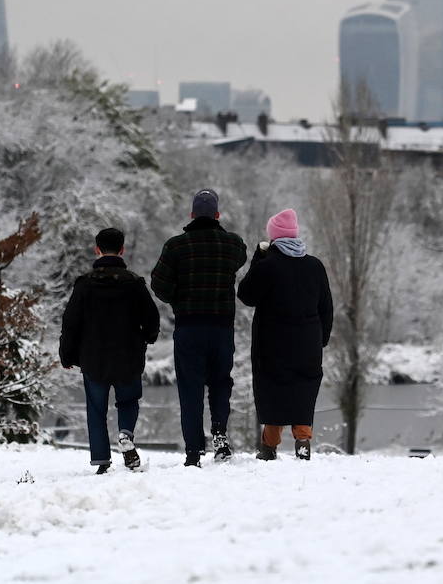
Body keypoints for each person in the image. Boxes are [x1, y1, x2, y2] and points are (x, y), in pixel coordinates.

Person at [150, 188, 248, 467]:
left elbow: (158, 283)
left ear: (191, 215)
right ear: (217, 215)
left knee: (190, 388)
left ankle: (194, 449)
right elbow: (241, 258)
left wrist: (177, 300)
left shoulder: (176, 246)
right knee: (220, 383)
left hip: (189, 326)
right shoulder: (232, 244)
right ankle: (219, 437)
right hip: (221, 327)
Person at [59, 227, 160, 474]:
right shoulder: (134, 284)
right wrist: (148, 337)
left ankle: (102, 459)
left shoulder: (84, 285)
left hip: (93, 358)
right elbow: (152, 317)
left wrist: (67, 353)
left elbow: (71, 321)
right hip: (128, 356)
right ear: (122, 250)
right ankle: (125, 434)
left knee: (96, 409)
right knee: (128, 400)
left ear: (97, 250)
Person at [237, 208, 333, 461]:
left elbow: (246, 295)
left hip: (273, 342)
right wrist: (322, 338)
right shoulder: (315, 266)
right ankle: (302, 441)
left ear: (274, 239)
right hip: (308, 342)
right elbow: (326, 306)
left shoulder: (268, 266)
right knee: (303, 388)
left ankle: (269, 447)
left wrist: (258, 258)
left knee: (273, 389)